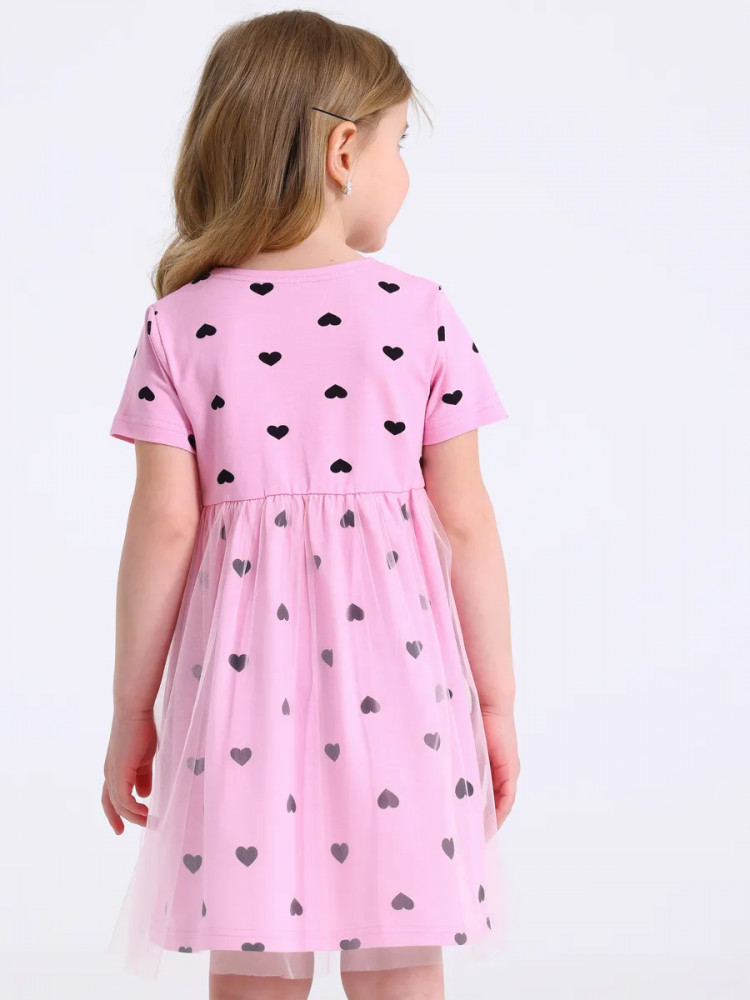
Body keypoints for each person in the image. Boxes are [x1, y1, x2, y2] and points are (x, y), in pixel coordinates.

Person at [101, 10, 519, 1000]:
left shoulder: (180, 325)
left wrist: (131, 710)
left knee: (252, 957)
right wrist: (495, 704)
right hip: (404, 691)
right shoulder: (420, 313)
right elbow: (466, 526)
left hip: (238, 698)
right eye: (398, 144)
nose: (402, 172)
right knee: (402, 958)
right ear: (342, 153)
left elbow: (164, 528)